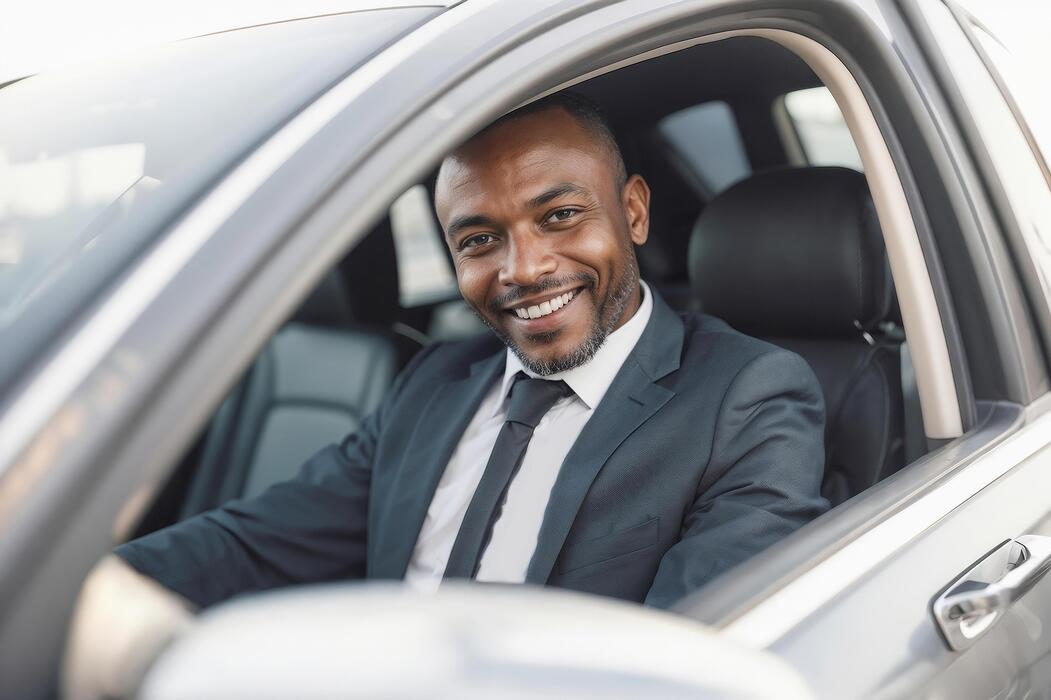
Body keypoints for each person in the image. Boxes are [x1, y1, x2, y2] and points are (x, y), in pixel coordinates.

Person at [65, 92, 827, 696]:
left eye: (559, 216)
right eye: (477, 240)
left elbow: (686, 657)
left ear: (631, 211)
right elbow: (252, 545)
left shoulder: (747, 395)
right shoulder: (435, 380)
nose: (521, 269)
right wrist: (65, 599)